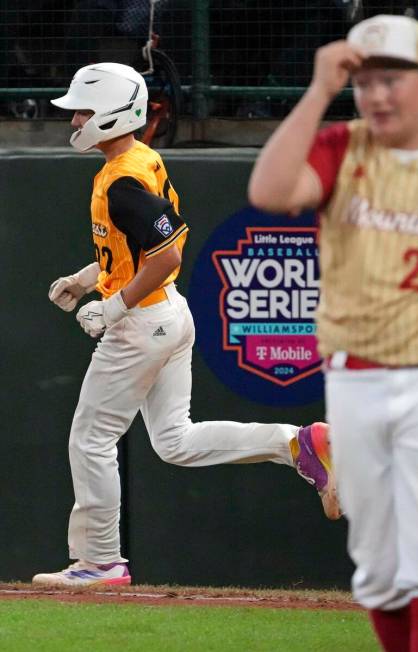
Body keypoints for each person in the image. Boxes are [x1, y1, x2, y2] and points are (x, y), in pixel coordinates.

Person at [248, 14, 418, 652]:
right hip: (356, 379)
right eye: (366, 80)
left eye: (393, 78)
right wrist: (318, 91)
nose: (377, 94)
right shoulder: (341, 146)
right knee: (380, 569)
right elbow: (269, 189)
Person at [32, 62, 340, 588]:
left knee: (91, 440)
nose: (75, 120)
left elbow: (168, 254)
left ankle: (100, 561)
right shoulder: (139, 158)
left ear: (109, 113)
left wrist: (114, 306)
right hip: (169, 314)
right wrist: (89, 280)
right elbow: (141, 246)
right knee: (175, 441)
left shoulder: (122, 177)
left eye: (82, 110)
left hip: (144, 321)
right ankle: (299, 443)